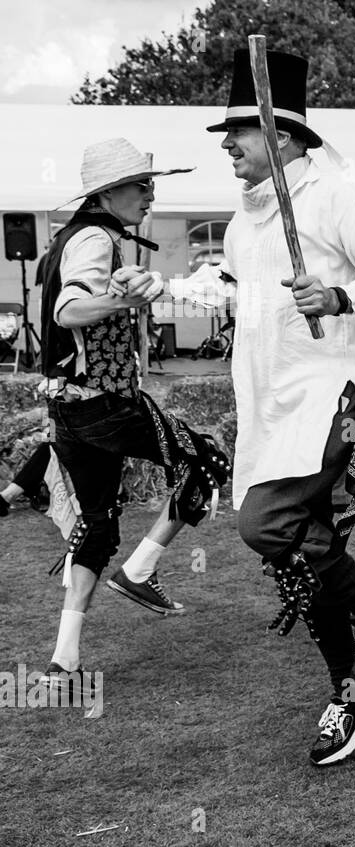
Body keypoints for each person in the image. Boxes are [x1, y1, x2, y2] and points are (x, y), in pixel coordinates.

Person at [173, 49, 355, 766]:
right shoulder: (246, 223)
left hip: (330, 397)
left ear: (281, 136)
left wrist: (341, 296)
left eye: (238, 132)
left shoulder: (337, 195)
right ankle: (354, 690)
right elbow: (237, 297)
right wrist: (157, 291)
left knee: (264, 524)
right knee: (304, 557)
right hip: (272, 412)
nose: (226, 145)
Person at [34, 137, 229, 696]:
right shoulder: (95, 238)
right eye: (141, 185)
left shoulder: (71, 239)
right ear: (108, 192)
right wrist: (127, 301)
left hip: (68, 410)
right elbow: (68, 309)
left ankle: (64, 658)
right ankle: (141, 571)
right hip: (105, 406)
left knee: (96, 524)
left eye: (151, 183)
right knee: (206, 459)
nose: (151, 193)